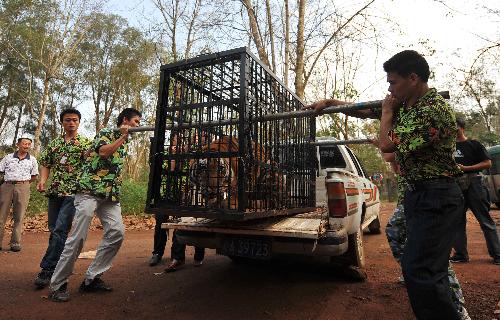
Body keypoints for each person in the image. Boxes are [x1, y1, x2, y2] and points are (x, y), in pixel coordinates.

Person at [307, 50, 464, 319]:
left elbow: (387, 144)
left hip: (436, 195)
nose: (389, 88)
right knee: (423, 270)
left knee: (421, 272)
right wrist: (331, 103)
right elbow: (368, 109)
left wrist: (388, 112)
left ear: (413, 78)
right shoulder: (408, 106)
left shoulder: (432, 111)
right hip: (419, 195)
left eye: (392, 82)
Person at [48, 108, 142, 302]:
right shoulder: (107, 133)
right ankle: (58, 285)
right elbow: (104, 152)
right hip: (89, 191)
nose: (138, 126)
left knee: (117, 232)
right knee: (78, 237)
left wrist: (125, 138)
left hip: (109, 195)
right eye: (136, 122)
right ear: (125, 120)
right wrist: (122, 137)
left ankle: (92, 278)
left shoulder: (127, 140)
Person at [379, 149, 469, 319]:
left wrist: (383, 143)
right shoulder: (404, 138)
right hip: (415, 197)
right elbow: (396, 166)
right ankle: (415, 275)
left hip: (430, 195)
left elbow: (388, 152)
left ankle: (456, 306)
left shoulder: (414, 131)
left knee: (430, 259)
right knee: (405, 242)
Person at [34, 109, 92, 288]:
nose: (71, 123)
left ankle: (48, 269)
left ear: (79, 122)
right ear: (62, 122)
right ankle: (60, 264)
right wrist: (43, 181)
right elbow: (45, 163)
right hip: (55, 192)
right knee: (54, 230)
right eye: (67, 120)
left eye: (75, 120)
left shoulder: (85, 144)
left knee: (60, 230)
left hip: (73, 193)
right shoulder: (54, 144)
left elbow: (92, 165)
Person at [451, 118, 500, 265]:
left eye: (455, 127)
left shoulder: (474, 144)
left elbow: (487, 163)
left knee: (485, 220)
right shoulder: (447, 147)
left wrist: (466, 168)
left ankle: (497, 254)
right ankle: (460, 254)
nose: (452, 130)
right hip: (455, 185)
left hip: (475, 184)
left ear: (462, 128)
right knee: (457, 221)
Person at [0, 137, 39, 252]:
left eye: (28, 144)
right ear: (18, 144)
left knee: (19, 216)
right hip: (7, 186)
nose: (26, 146)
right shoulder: (8, 157)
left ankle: (15, 243)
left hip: (23, 187)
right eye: (24, 144)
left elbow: (34, 176)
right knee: (1, 216)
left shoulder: (32, 160)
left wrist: (23, 184)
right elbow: (1, 171)